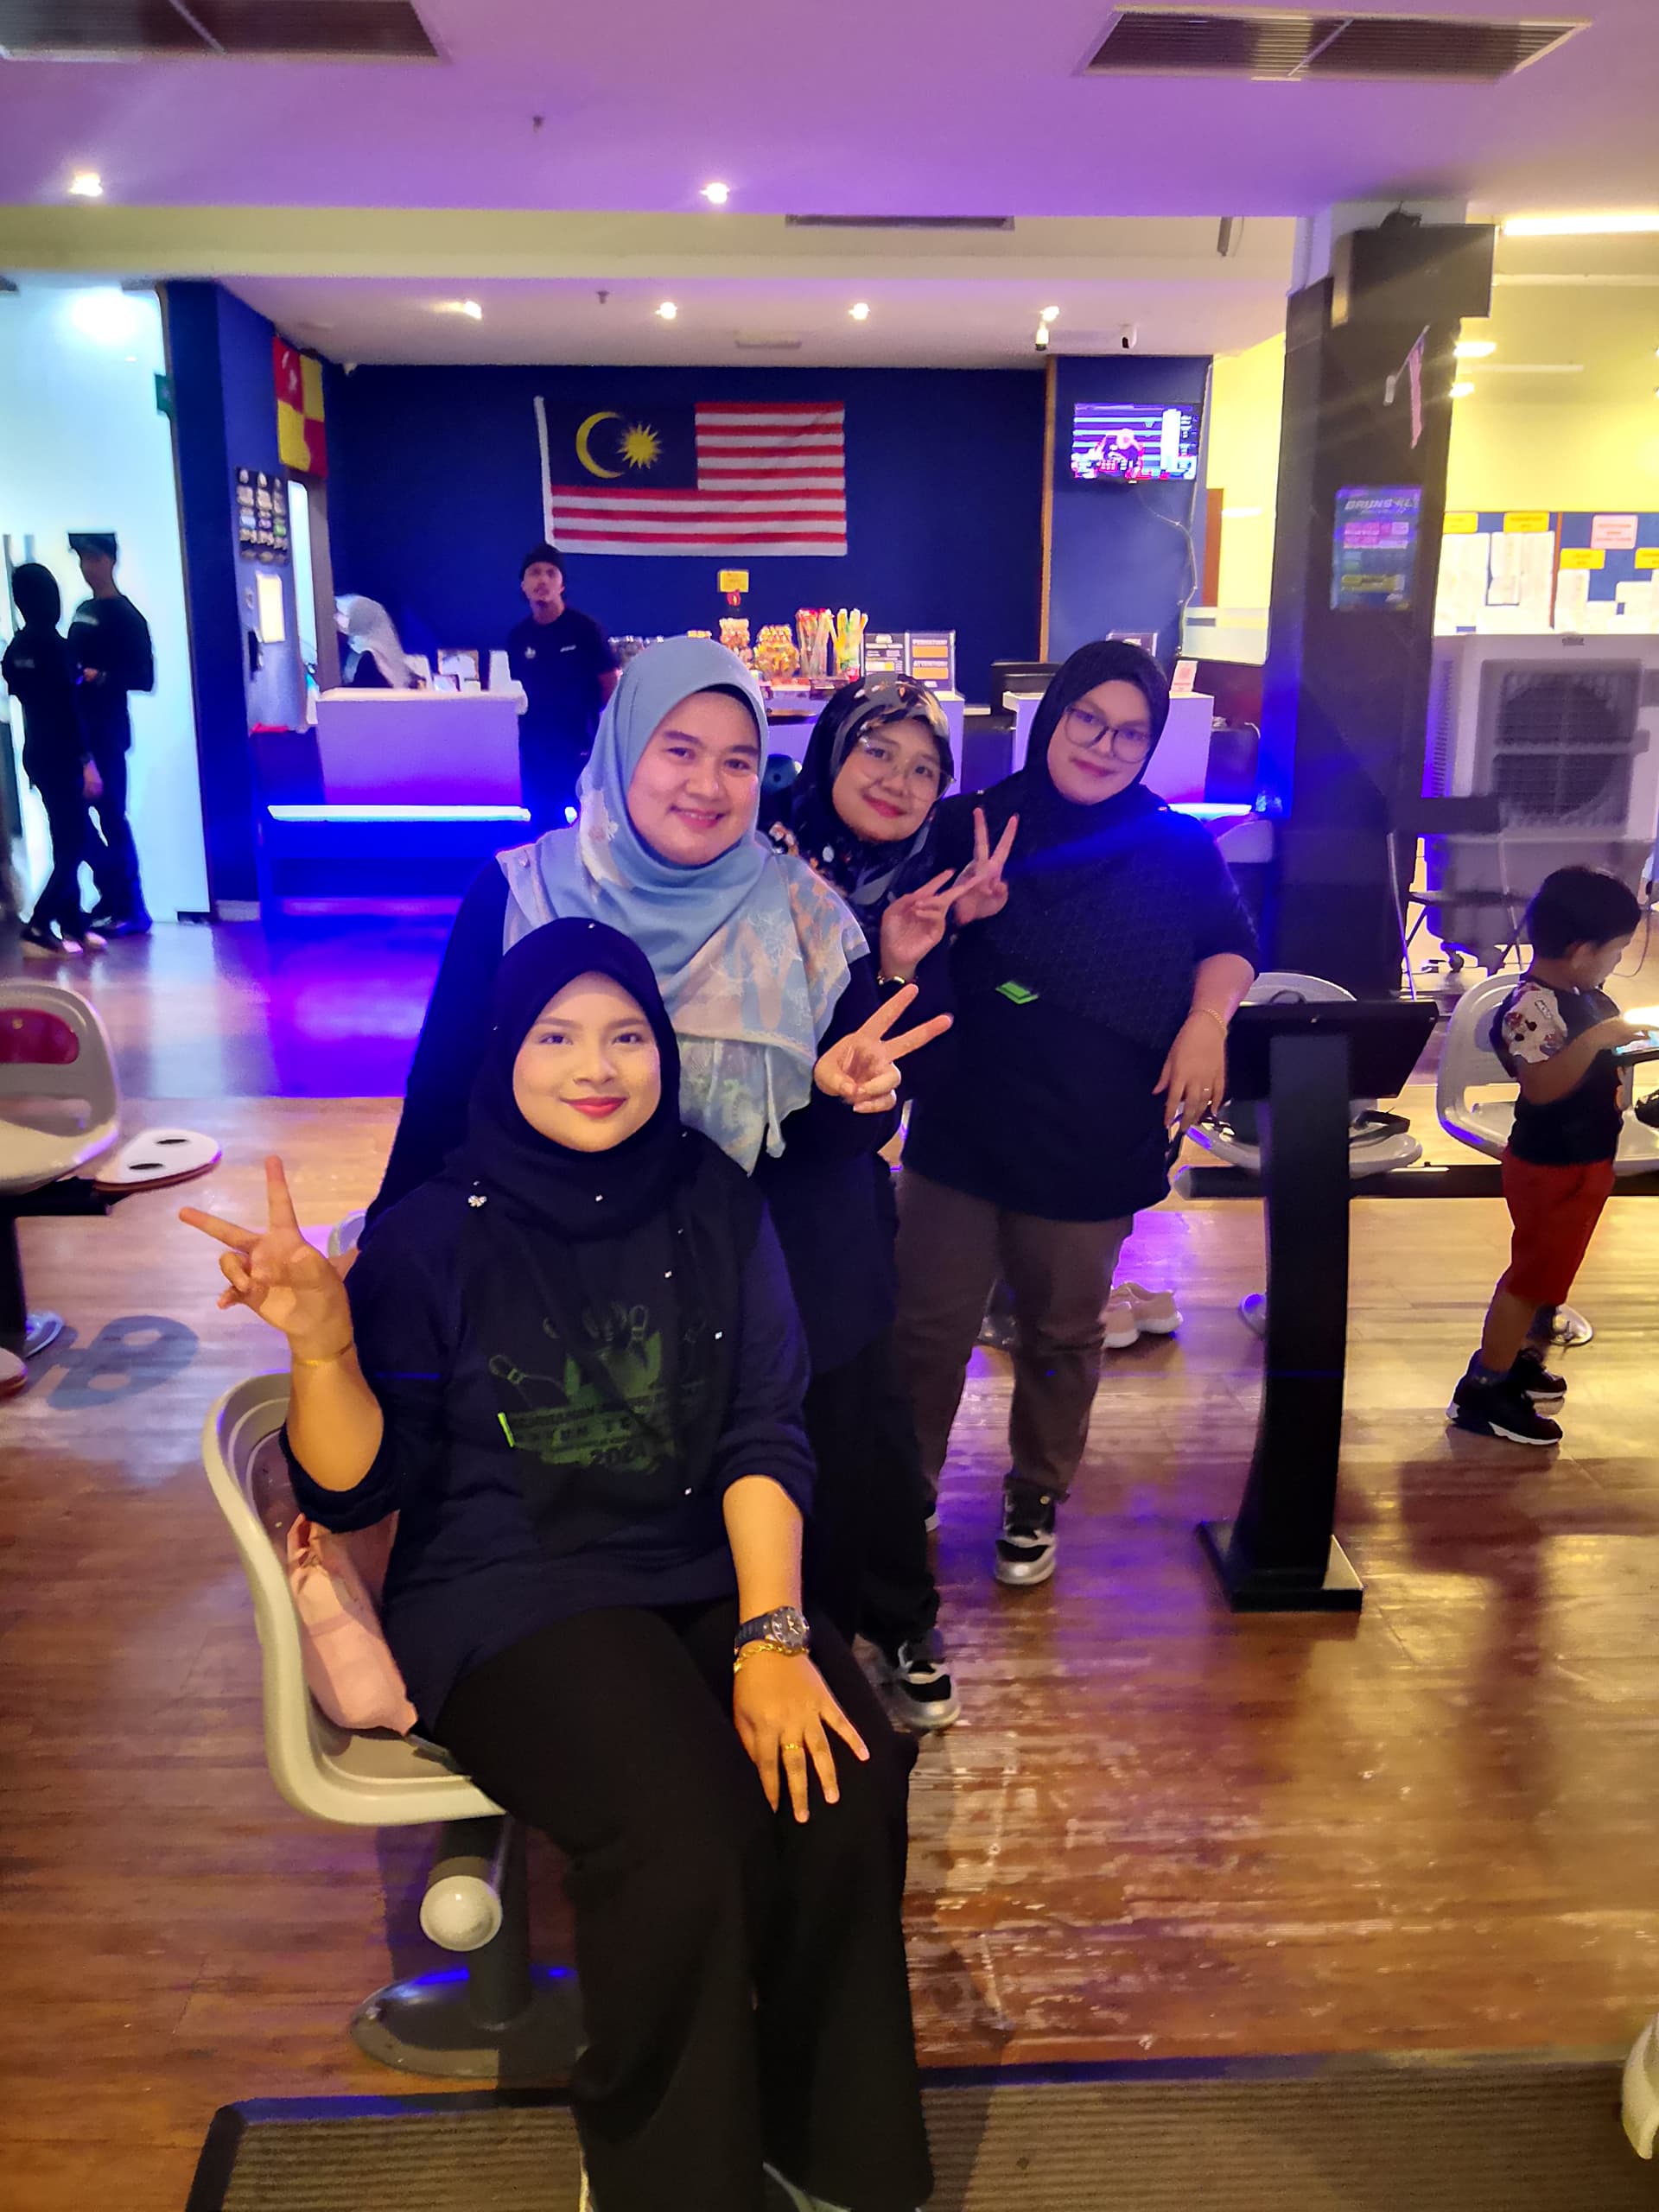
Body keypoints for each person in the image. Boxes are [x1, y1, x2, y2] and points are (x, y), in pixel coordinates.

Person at [182, 922, 931, 2212]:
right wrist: (322, 1347)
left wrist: (774, 1636)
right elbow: (357, 1489)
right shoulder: (430, 1234)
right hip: (506, 1587)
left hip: (700, 1561)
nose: (598, 1067)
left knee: (847, 1783)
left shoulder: (711, 1192)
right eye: (559, 1036)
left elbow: (764, 1427)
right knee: (681, 1833)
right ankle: (669, 2177)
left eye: (628, 1035)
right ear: (506, 1053)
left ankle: (830, 2150)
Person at [367, 636, 951, 1706]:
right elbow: (444, 1093)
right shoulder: (522, 893)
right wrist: (375, 1271)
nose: (708, 785)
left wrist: (844, 1100)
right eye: (679, 749)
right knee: (600, 1543)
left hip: (764, 1282)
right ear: (623, 747)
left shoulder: (808, 918)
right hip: (567, 1288)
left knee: (786, 1534)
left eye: (738, 759)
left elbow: (831, 1143)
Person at [893, 640, 1257, 1589]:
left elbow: (1228, 944)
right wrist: (962, 917)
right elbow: (896, 948)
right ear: (1052, 716)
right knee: (926, 1328)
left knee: (1062, 1330)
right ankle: (904, 1486)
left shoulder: (1176, 845)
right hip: (965, 1119)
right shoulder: (972, 822)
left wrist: (1207, 1022)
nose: (1104, 745)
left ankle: (1036, 1491)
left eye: (1130, 733)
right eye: (1088, 719)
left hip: (1095, 1126)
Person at [765, 675, 1002, 1722]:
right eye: (877, 751)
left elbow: (920, 1067)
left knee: (865, 1409)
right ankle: (784, 1623)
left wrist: (904, 958)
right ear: (831, 749)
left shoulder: (923, 893)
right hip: (726, 1178)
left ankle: (897, 1615)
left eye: (924, 768)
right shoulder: (748, 855)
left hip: (835, 1192)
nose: (899, 782)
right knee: (756, 1411)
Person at [1448, 865, 1644, 1446]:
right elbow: (1543, 1086)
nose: (1615, 962)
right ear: (1582, 951)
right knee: (1528, 1279)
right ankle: (1485, 1387)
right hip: (1550, 1164)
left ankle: (1517, 1362)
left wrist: (1628, 1044)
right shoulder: (1530, 1007)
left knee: (1552, 1273)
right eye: (1614, 951)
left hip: (1587, 1156)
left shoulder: (1586, 996)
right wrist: (1598, 1040)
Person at [3, 564, 104, 957]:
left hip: (37, 751)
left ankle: (73, 923)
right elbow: (68, 710)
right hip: (64, 754)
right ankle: (40, 923)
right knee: (74, 841)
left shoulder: (16, 651)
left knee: (65, 835)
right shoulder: (57, 648)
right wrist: (86, 761)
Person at [67, 531, 154, 937]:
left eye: (93, 559)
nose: (87, 567)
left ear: (110, 561)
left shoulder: (128, 617)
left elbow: (144, 677)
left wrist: (100, 676)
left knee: (112, 817)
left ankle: (132, 906)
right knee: (73, 819)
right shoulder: (82, 611)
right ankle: (111, 893)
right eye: (82, 559)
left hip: (109, 731)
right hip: (78, 730)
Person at [508, 543, 620, 834]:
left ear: (562, 585)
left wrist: (595, 730)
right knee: (543, 829)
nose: (542, 580)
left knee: (593, 829)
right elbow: (517, 693)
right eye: (534, 573)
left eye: (550, 573)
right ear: (523, 585)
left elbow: (610, 685)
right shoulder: (518, 637)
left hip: (581, 748)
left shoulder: (585, 630)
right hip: (537, 752)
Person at [336, 594, 416, 690]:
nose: (337, 618)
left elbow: (359, 691)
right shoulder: (385, 652)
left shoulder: (369, 657)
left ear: (359, 619)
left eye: (344, 615)